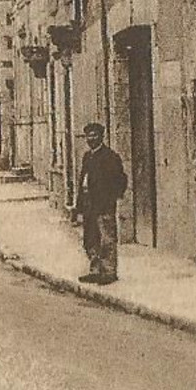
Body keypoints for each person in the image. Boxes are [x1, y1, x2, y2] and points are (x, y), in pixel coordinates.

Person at [75, 121, 127, 285]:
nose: (91, 139)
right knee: (91, 238)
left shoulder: (110, 157)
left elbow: (120, 180)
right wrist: (79, 205)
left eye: (94, 136)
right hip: (88, 204)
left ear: (101, 137)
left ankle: (109, 271)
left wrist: (110, 198)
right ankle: (95, 270)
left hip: (103, 204)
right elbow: (83, 181)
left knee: (107, 238)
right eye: (88, 136)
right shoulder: (87, 157)